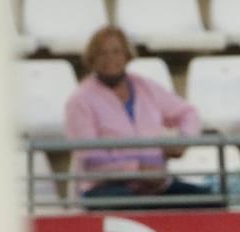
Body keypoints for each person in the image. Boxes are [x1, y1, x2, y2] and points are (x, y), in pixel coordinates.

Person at [64, 26, 211, 209]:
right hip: (106, 188)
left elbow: (188, 112)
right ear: (92, 59)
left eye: (116, 51)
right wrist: (137, 170)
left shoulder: (145, 87)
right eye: (102, 53)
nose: (110, 58)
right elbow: (90, 157)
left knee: (208, 200)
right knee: (131, 203)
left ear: (127, 55)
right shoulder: (81, 100)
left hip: (155, 184)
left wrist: (183, 140)